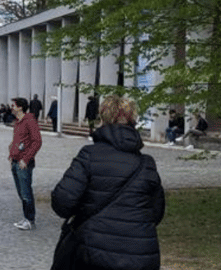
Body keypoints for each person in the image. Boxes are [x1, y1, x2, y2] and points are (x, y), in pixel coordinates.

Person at [51, 95, 165, 270]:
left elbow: (63, 201)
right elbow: (156, 212)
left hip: (94, 253)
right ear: (133, 120)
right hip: (140, 255)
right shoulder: (147, 164)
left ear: (103, 118)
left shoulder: (89, 155)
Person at [8, 97, 43, 231]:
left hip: (24, 163)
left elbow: (37, 141)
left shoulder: (29, 121)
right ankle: (26, 217)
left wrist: (26, 159)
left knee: (26, 192)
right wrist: (11, 154)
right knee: (21, 192)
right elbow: (17, 140)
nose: (12, 107)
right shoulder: (18, 122)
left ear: (20, 107)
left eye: (13, 105)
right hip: (15, 161)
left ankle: (30, 219)